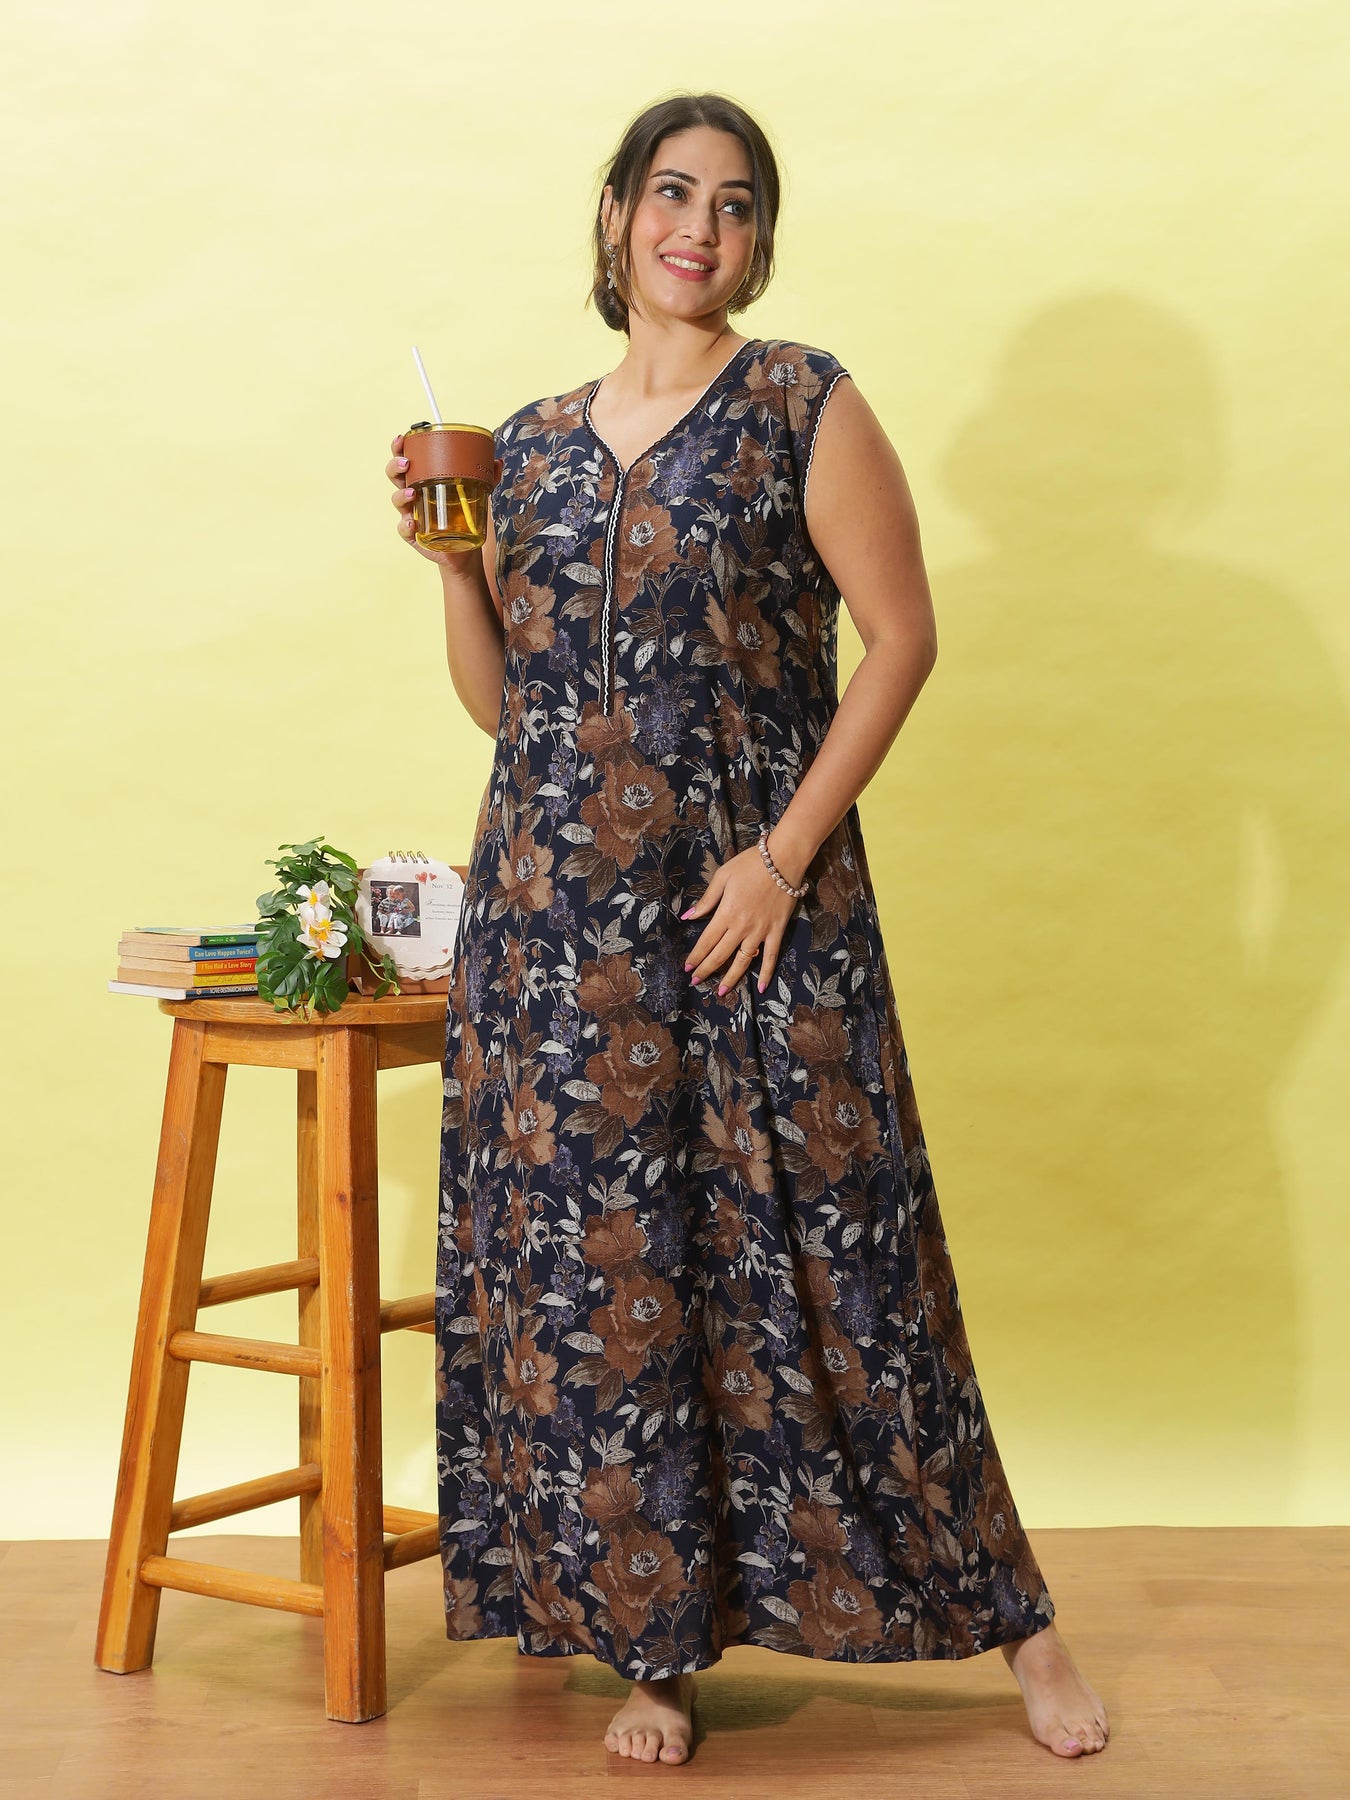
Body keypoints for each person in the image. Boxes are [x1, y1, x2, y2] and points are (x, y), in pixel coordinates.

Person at [387, 91, 1110, 1770]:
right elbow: (510, 709)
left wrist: (782, 858)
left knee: (853, 1266)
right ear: (616, 216)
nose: (695, 227)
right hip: (556, 928)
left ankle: (1024, 1629)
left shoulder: (800, 400)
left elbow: (901, 638)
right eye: (669, 192)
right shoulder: (531, 442)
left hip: (751, 914)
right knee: (611, 1285)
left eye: (731, 203)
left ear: (758, 239)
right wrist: (450, 566)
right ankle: (652, 1653)